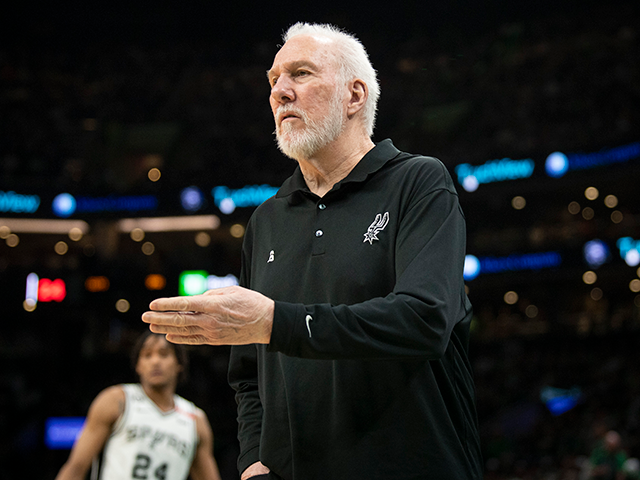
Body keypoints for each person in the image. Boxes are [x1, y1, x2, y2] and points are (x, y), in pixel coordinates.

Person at [142, 22, 483, 480]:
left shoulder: (419, 182)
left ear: (355, 96)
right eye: (273, 80)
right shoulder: (266, 220)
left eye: (300, 74)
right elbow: (247, 372)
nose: (280, 92)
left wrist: (274, 321)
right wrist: (253, 461)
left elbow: (425, 319)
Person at [54, 332, 221, 480]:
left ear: (179, 364)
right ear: (138, 365)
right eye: (147, 355)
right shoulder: (116, 401)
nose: (155, 361)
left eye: (163, 354)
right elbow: (75, 467)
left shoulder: (195, 420)